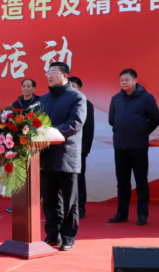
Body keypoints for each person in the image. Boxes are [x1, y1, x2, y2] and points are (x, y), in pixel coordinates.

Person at [39, 62, 86, 251]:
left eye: (53, 72)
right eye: (48, 72)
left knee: (69, 201)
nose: (49, 75)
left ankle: (68, 237)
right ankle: (52, 236)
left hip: (66, 155)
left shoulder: (77, 97)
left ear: (65, 75)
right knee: (49, 201)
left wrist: (48, 134)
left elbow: (75, 123)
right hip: (45, 155)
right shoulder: (43, 99)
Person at [108, 69, 159, 225]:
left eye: (127, 79)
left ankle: (142, 215)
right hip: (120, 146)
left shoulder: (146, 98)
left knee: (141, 181)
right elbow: (112, 120)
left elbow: (156, 118)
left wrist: (142, 131)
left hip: (138, 146)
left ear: (135, 80)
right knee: (122, 183)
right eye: (121, 80)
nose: (124, 82)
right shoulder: (116, 99)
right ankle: (121, 214)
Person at [7, 79, 41, 213]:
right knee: (20, 173)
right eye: (24, 86)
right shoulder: (16, 104)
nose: (25, 88)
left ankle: (36, 202)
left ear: (33, 89)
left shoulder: (39, 102)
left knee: (36, 174)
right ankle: (19, 202)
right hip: (19, 143)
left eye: (28, 86)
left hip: (35, 143)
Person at [69, 76, 94, 219]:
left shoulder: (86, 104)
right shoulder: (63, 103)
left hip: (79, 148)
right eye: (69, 85)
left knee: (78, 178)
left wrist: (85, 148)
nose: (71, 88)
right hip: (62, 147)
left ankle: (80, 207)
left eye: (73, 86)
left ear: (79, 88)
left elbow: (89, 128)